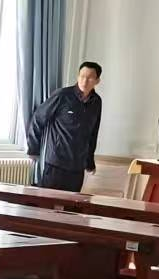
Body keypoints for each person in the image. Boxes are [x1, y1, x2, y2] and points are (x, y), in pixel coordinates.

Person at [26, 61, 102, 193]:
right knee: (47, 201)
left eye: (90, 78)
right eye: (82, 76)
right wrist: (33, 149)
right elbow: (38, 118)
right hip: (56, 162)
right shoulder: (62, 95)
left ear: (97, 81)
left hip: (77, 167)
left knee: (71, 204)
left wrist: (89, 161)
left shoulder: (97, 102)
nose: (85, 81)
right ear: (78, 76)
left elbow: (93, 133)